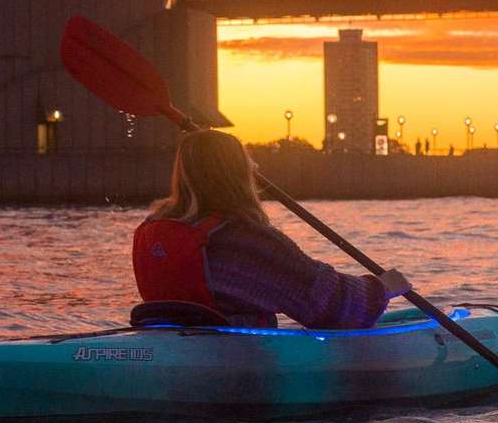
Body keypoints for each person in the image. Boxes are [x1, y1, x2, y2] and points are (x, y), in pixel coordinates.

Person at [133, 129, 412, 329]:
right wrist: (382, 288)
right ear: (241, 174)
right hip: (237, 362)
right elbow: (328, 305)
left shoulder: (152, 229)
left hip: (166, 343)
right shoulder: (245, 241)